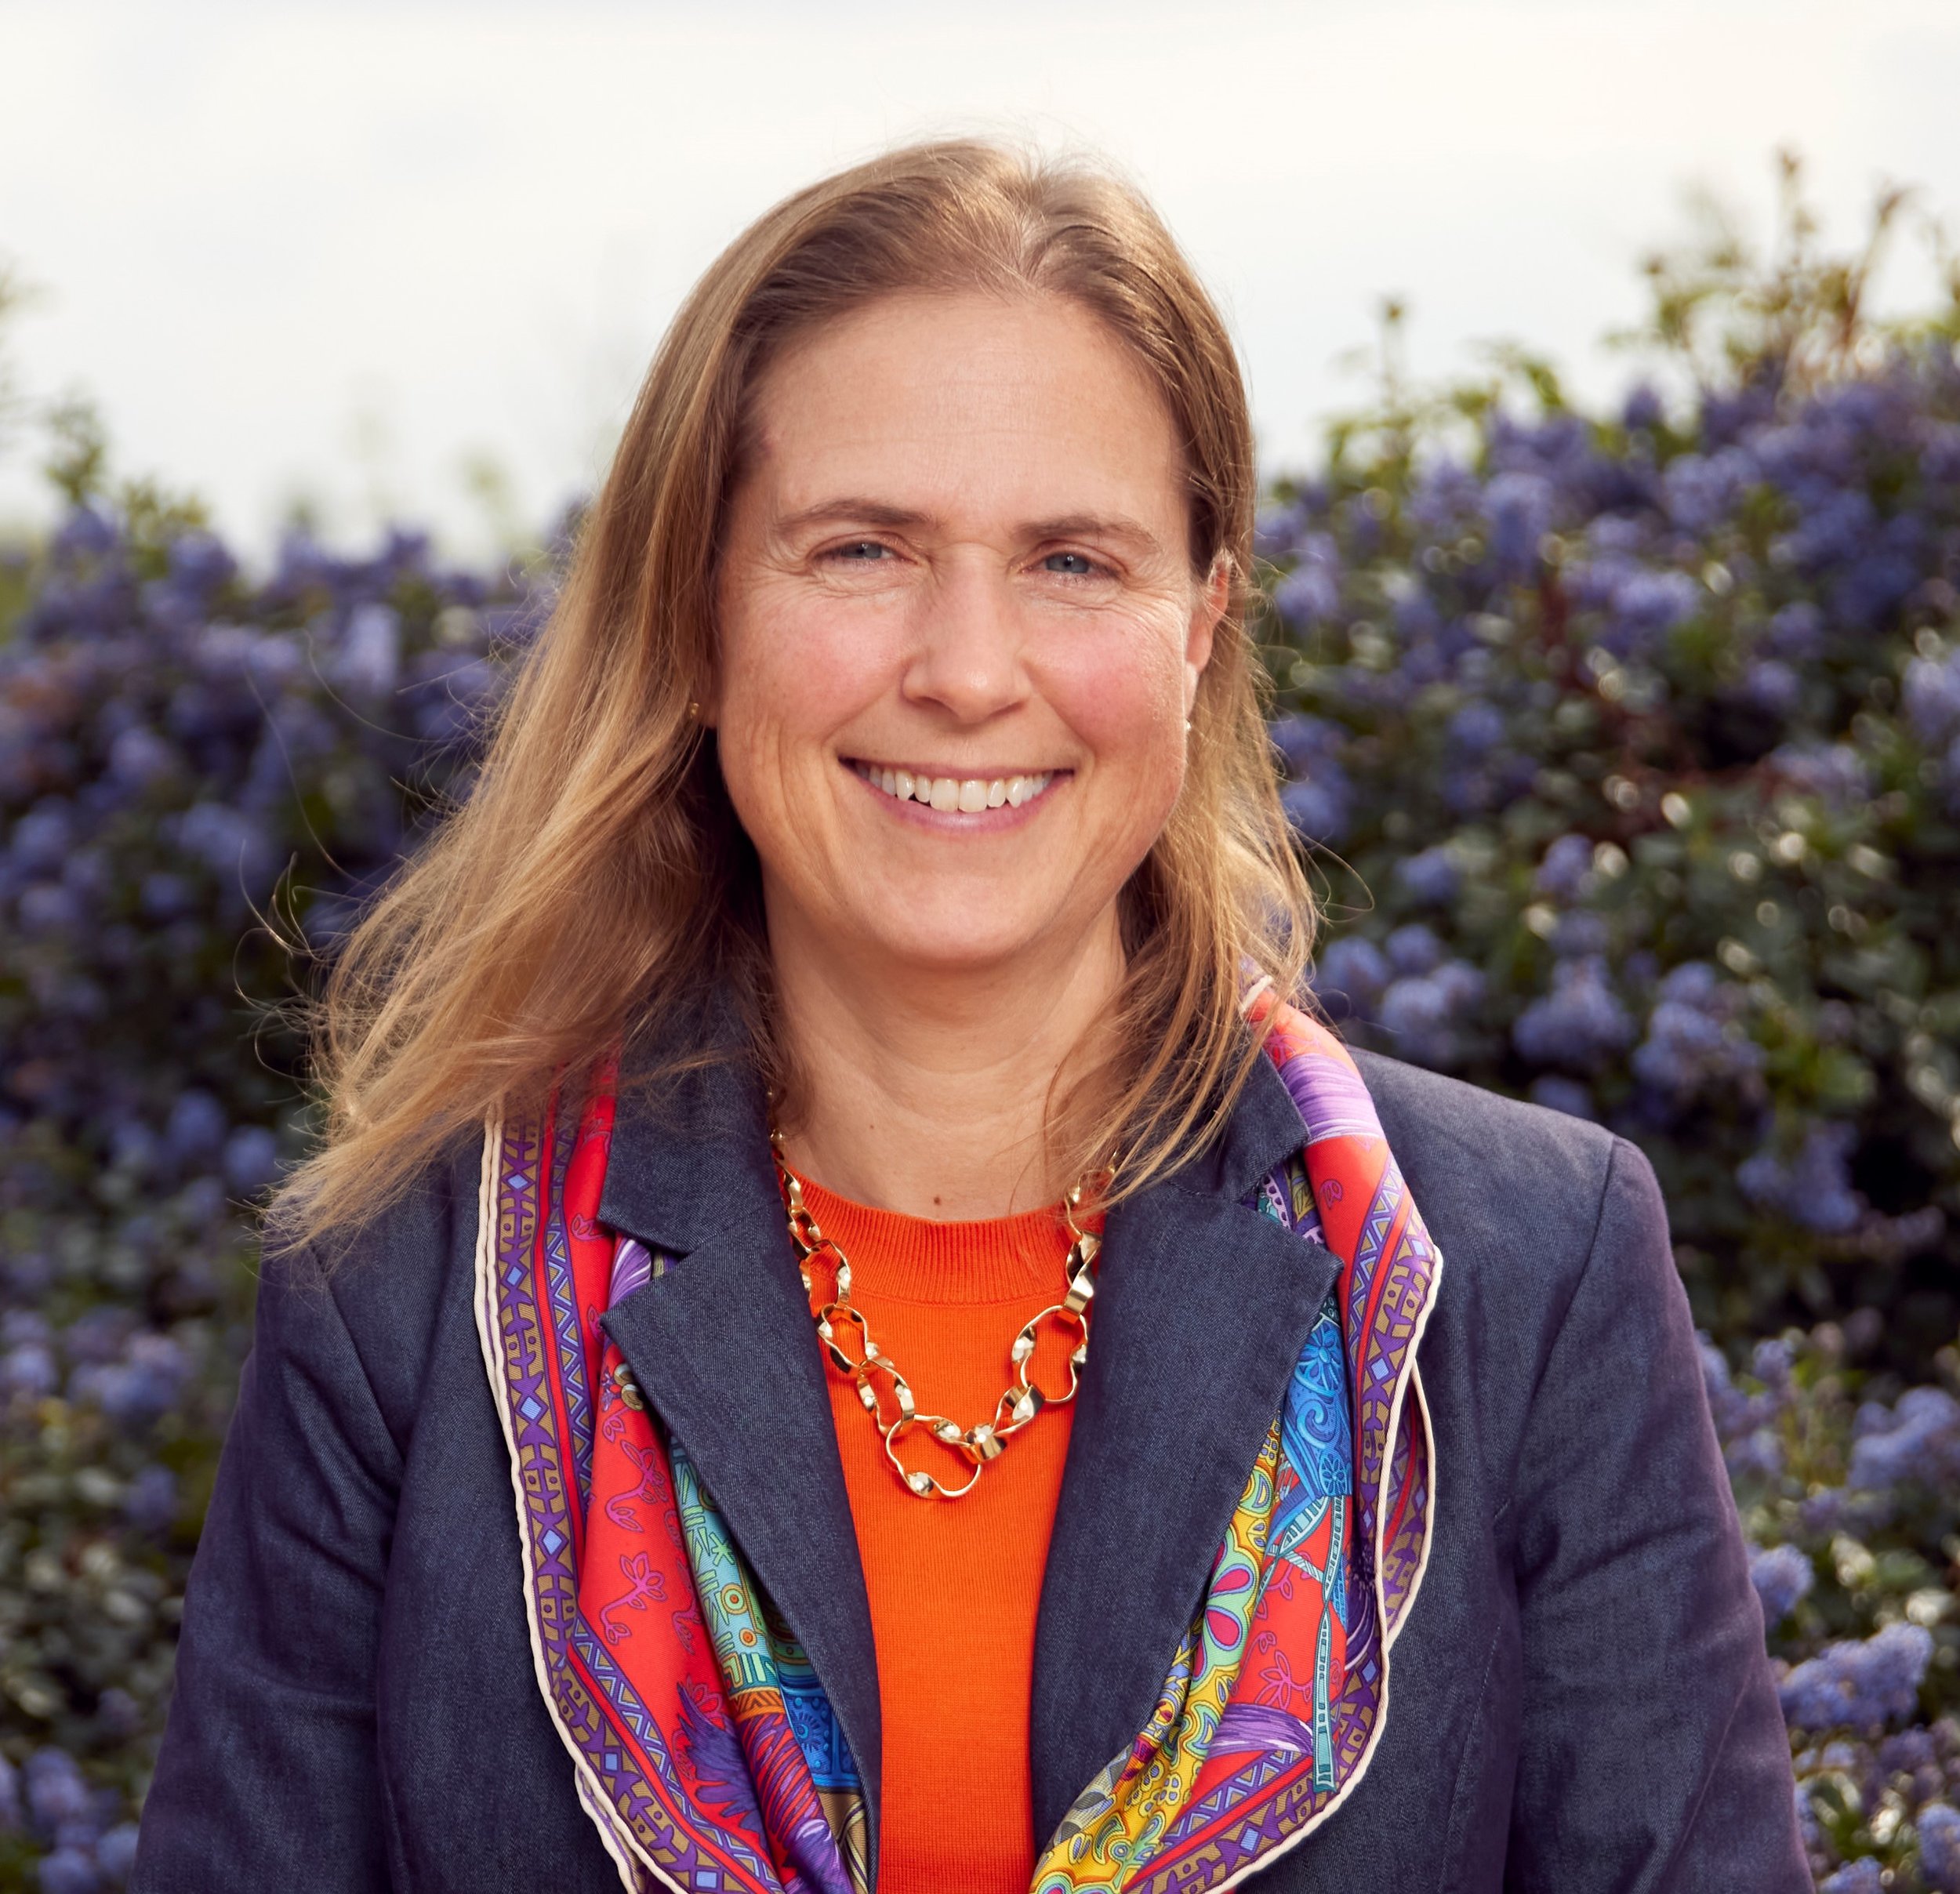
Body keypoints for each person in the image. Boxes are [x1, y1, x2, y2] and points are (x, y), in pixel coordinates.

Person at [130, 139, 1808, 1894]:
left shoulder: (1525, 1269)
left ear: (1200, 630)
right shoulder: (405, 1294)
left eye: (1073, 561)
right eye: (860, 548)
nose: (964, 667)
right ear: (698, 620)